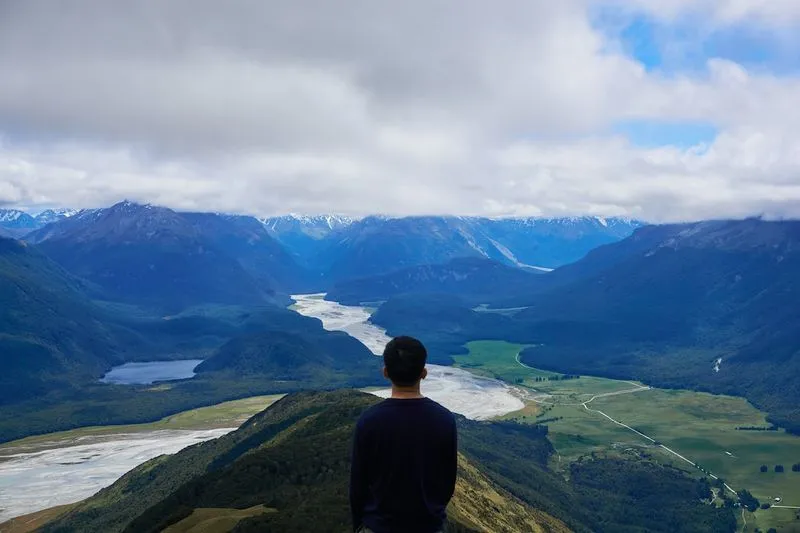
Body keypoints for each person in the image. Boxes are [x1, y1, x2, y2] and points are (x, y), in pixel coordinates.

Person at [350, 336, 458, 533]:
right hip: (429, 526)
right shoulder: (444, 420)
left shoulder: (369, 421)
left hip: (379, 526)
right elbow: (447, 482)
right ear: (424, 373)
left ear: (385, 372)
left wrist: (360, 524)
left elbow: (358, 485)